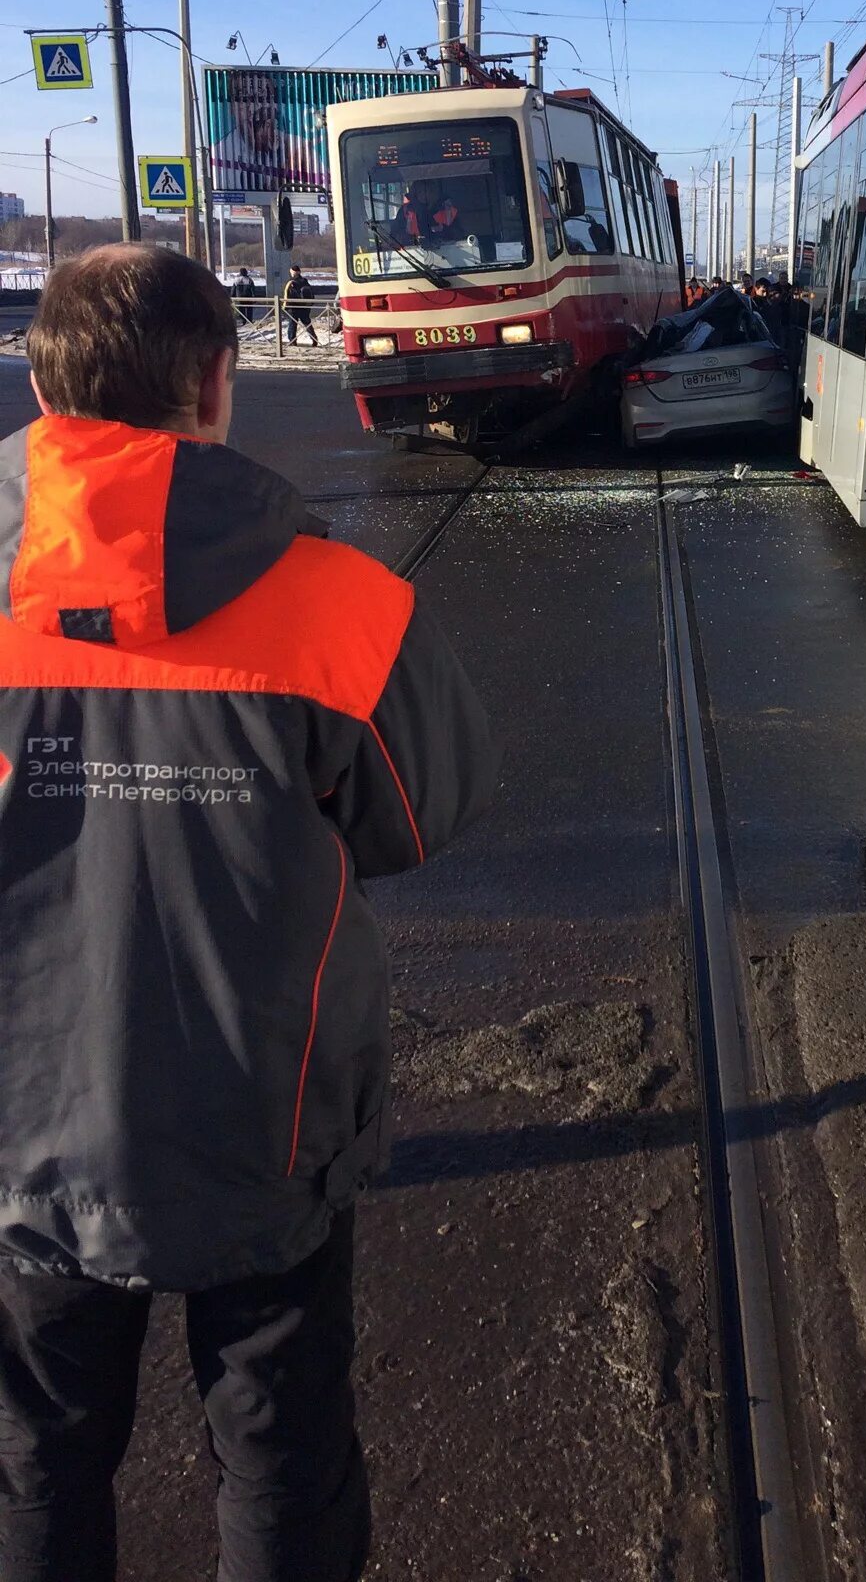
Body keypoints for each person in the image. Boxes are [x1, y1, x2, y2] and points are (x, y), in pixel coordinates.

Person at [0, 244, 496, 1582]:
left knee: (39, 1468)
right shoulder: (338, 602)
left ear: (46, 397)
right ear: (217, 383)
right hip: (266, 1129)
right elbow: (422, 813)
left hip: (24, 1139)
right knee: (278, 1470)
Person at [281, 262, 318, 347]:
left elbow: (286, 296)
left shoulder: (291, 283)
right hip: (304, 307)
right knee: (307, 323)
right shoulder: (305, 281)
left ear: (293, 272)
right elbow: (311, 293)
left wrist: (284, 307)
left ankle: (292, 341)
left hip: (293, 307)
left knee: (292, 324)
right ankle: (314, 339)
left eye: (291, 272)